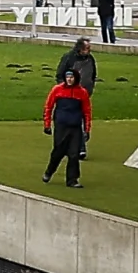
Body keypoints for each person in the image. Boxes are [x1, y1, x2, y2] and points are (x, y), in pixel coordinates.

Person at [48, 59, 94, 189]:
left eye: (71, 77)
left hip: (75, 127)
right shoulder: (57, 90)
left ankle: (72, 180)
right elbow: (49, 106)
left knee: (74, 154)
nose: (69, 79)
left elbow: (87, 112)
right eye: (67, 77)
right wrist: (47, 124)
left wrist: (87, 129)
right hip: (61, 126)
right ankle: (49, 171)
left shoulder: (82, 93)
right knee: (58, 152)